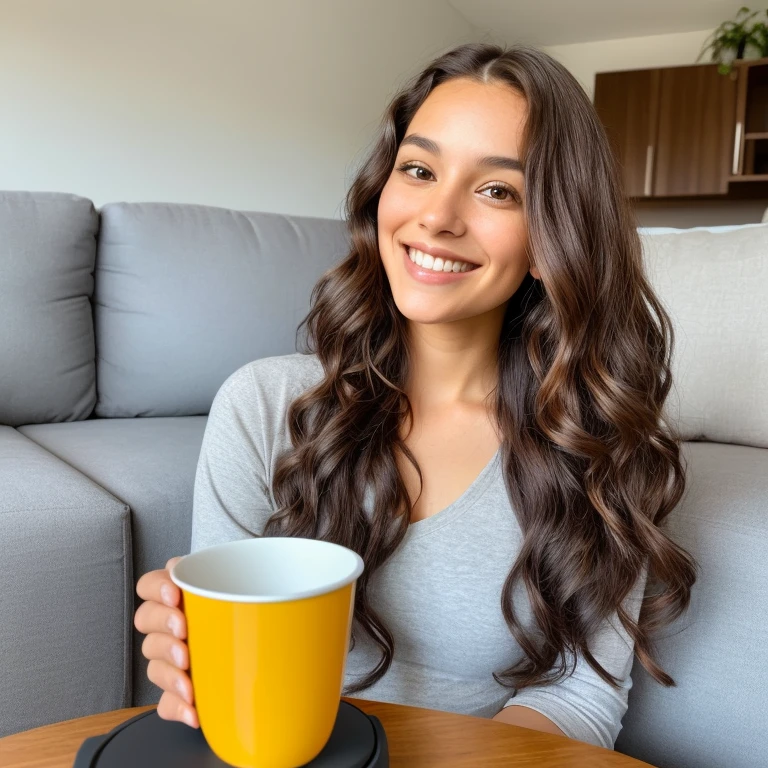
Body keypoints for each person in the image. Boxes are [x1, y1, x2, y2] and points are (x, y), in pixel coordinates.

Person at [134, 42, 698, 751]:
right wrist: (192, 658)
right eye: (419, 169)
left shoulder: (600, 439)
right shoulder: (261, 406)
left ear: (554, 232)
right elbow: (223, 685)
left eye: (497, 190)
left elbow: (582, 696)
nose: (437, 216)